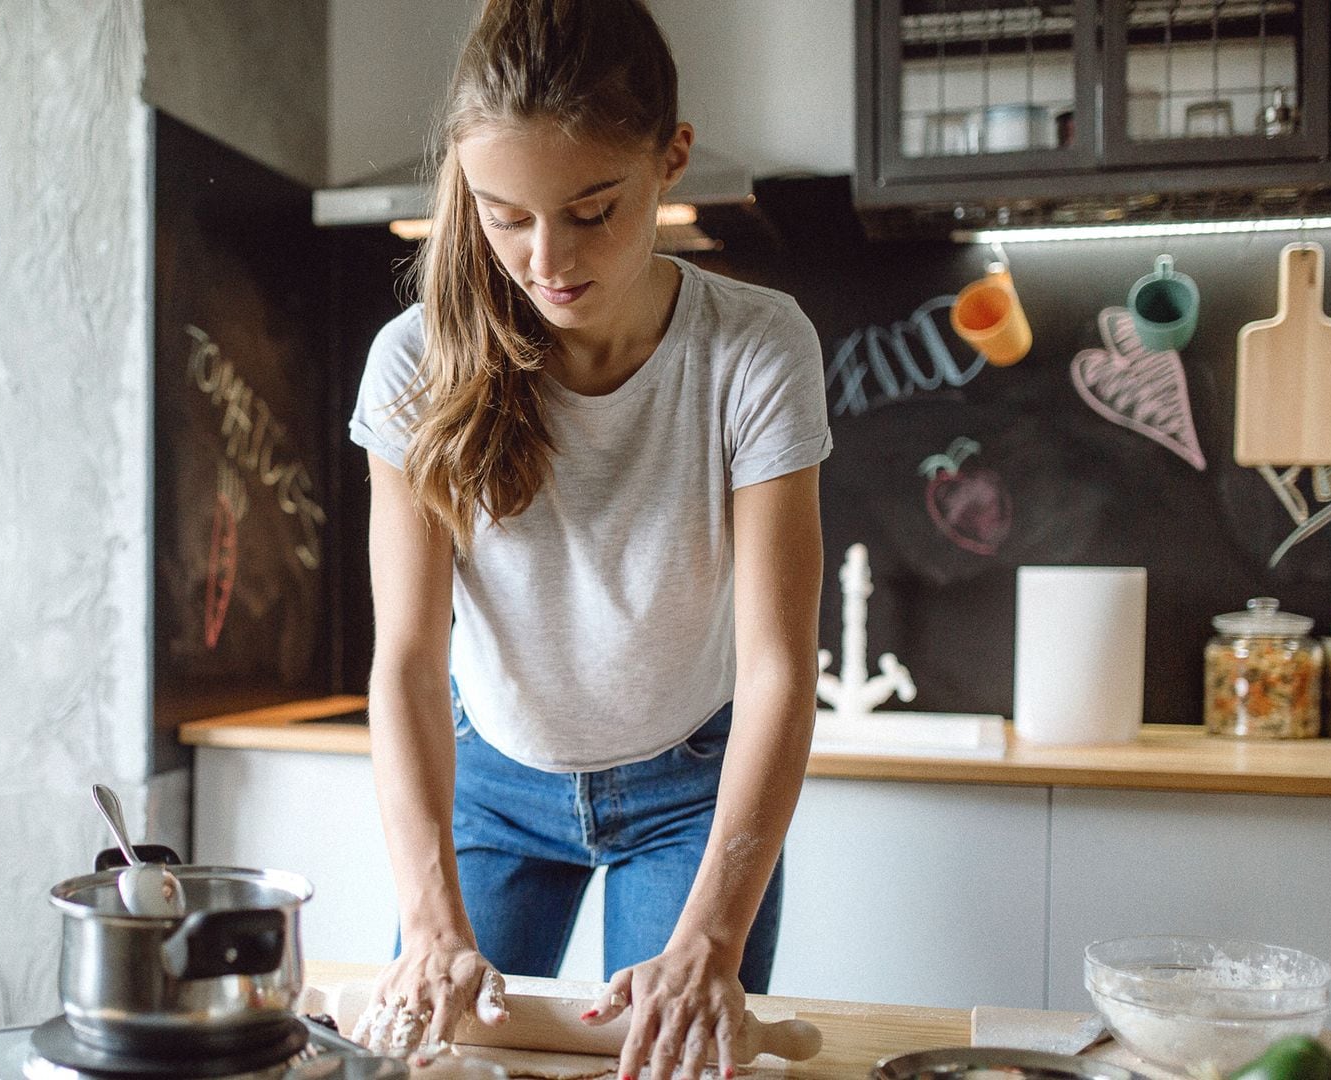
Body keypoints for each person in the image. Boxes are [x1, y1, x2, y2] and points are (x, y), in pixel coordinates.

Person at [345, 1, 831, 1078]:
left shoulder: (754, 350)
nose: (544, 258)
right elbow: (411, 662)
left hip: (690, 795)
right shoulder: (414, 360)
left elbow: (780, 671)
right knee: (420, 1063)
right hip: (494, 787)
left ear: (673, 160)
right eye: (503, 215)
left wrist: (709, 941)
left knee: (679, 1062)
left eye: (591, 210)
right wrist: (430, 920)